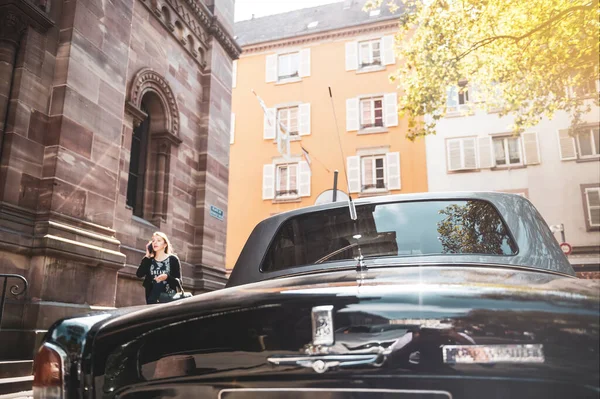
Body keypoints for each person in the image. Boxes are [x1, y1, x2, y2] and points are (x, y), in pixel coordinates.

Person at [136, 231, 182, 304]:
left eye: (159, 240)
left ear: (165, 244)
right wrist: (147, 255)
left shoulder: (173, 259)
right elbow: (139, 274)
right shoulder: (149, 260)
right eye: (153, 240)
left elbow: (178, 282)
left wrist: (167, 277)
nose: (155, 242)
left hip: (168, 300)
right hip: (152, 301)